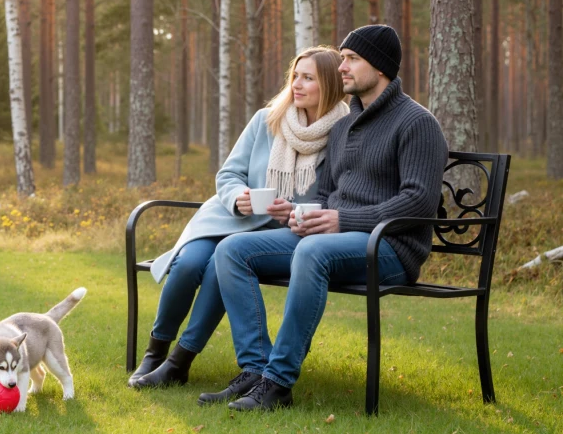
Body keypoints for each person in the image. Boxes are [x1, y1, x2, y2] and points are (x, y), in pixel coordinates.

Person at [205, 24, 448, 410]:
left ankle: (278, 383)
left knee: (312, 253)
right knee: (233, 251)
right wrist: (300, 216)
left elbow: (418, 202)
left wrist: (342, 221)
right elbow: (326, 195)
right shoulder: (345, 125)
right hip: (332, 240)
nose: (342, 68)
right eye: (343, 58)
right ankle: (255, 370)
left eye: (352, 59)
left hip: (390, 248)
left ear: (380, 68)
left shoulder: (417, 123)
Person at [129, 47, 350, 389]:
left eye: (309, 78)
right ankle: (156, 351)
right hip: (225, 218)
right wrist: (238, 198)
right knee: (188, 266)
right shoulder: (267, 120)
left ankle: (179, 363)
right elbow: (228, 174)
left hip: (270, 233)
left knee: (223, 262)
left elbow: (328, 198)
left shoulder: (342, 134)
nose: (297, 84)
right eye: (295, 76)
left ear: (332, 85)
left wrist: (290, 210)